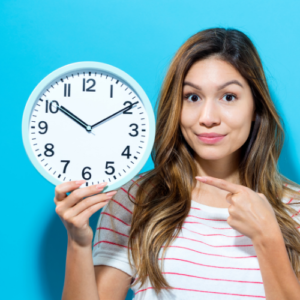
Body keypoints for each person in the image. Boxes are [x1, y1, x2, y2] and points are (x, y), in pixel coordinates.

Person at [54, 27, 300, 300]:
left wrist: (268, 237)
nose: (207, 117)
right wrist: (78, 243)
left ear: (256, 108)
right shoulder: (138, 198)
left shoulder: (295, 210)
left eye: (228, 97)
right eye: (192, 97)